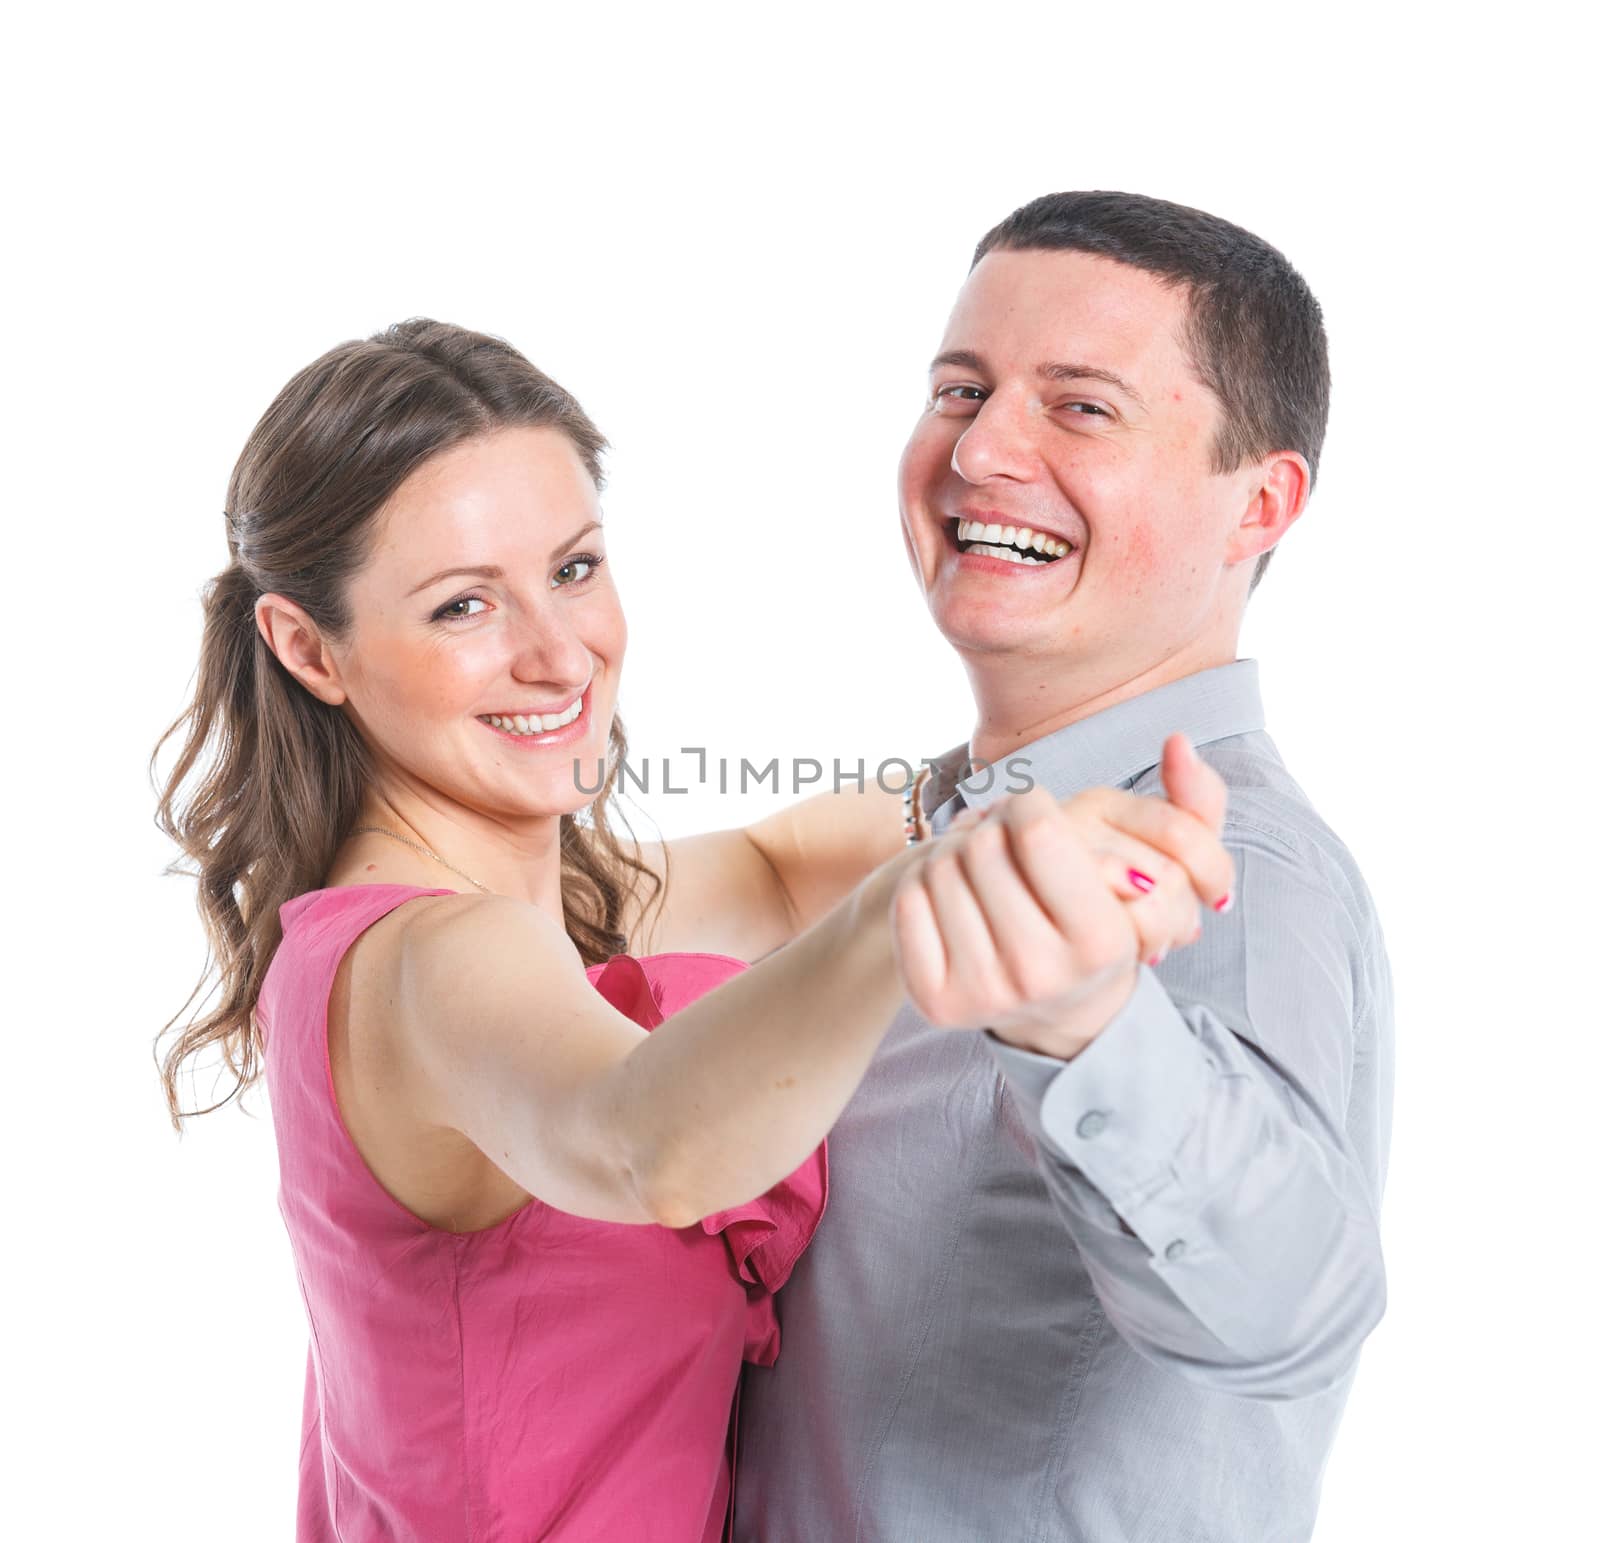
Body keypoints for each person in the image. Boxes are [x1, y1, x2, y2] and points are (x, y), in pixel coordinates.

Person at [151, 318, 1235, 1542]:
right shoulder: (435, 961)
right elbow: (643, 1145)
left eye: (572, 568)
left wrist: (1062, 777)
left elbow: (774, 868)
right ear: (309, 648)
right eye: (464, 607)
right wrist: (915, 903)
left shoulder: (525, 912)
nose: (561, 654)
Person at [732, 191, 1396, 1542]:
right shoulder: (927, 825)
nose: (981, 449)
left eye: (1080, 407)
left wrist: (1091, 1020)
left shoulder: (1234, 864)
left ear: (1258, 503)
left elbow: (1293, 1299)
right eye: (960, 388)